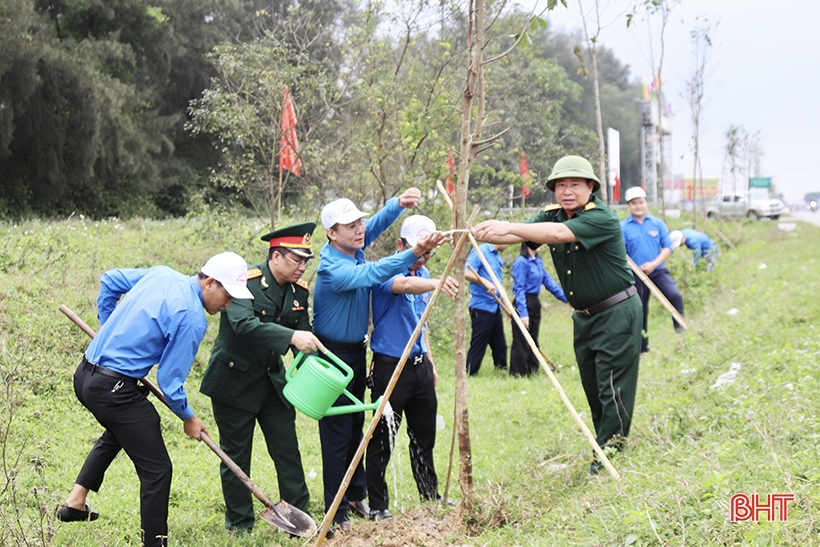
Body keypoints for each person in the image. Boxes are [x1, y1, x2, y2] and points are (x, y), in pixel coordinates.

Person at [58, 252, 254, 546]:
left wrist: (109, 325)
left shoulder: (162, 273)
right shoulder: (192, 318)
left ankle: (76, 500)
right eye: (228, 295)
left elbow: (110, 279)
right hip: (112, 388)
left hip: (85, 376)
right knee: (158, 470)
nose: (229, 305)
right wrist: (189, 417)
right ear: (211, 283)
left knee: (127, 427)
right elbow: (170, 382)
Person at [472, 155, 642, 474]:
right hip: (585, 316)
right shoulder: (551, 214)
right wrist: (481, 233)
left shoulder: (601, 217)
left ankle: (611, 455)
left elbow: (557, 235)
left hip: (616, 311)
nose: (566, 191)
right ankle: (605, 443)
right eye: (560, 185)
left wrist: (507, 225)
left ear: (590, 187)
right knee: (593, 386)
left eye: (574, 185)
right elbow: (521, 235)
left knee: (611, 385)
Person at [312, 192, 445, 528]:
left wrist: (397, 204)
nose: (360, 230)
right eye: (351, 225)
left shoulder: (351, 248)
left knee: (357, 427)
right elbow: (375, 274)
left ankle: (356, 495)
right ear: (331, 232)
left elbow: (375, 226)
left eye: (360, 222)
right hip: (331, 355)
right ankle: (336, 511)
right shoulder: (334, 268)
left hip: (357, 352)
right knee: (338, 433)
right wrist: (412, 253)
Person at [200, 223, 325, 534]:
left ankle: (299, 520)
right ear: (276, 256)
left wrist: (318, 374)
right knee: (236, 458)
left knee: (288, 451)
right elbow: (243, 324)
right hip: (234, 382)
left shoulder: (299, 292)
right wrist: (292, 337)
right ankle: (240, 526)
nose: (302, 267)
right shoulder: (245, 283)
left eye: (306, 261)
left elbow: (304, 338)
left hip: (272, 384)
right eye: (297, 260)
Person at [365, 215, 459, 521]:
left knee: (424, 435)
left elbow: (423, 323)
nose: (423, 259)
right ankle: (379, 505)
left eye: (429, 253)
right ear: (401, 245)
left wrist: (429, 360)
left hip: (419, 366)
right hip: (391, 367)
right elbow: (405, 285)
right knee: (382, 438)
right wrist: (437, 281)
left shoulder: (426, 271)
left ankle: (429, 495)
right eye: (419, 251)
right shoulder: (385, 270)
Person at [621, 186, 685, 353]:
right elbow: (621, 254)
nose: (638, 206)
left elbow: (668, 247)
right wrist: (635, 269)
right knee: (640, 310)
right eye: (634, 203)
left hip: (658, 271)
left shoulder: (657, 223)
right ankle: (642, 349)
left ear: (646, 203)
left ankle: (682, 336)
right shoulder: (623, 227)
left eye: (641, 202)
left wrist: (654, 264)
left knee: (674, 296)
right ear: (629, 205)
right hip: (635, 275)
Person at [510, 243, 568, 377]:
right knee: (521, 339)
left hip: (535, 302)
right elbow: (519, 289)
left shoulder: (538, 262)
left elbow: (549, 283)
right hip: (523, 302)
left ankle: (532, 370)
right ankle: (519, 373)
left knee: (533, 338)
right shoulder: (521, 262)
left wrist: (569, 299)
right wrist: (523, 314)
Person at [464, 242, 509, 375]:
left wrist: (506, 304)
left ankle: (501, 370)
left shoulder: (497, 256)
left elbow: (498, 282)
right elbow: (466, 272)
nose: (508, 244)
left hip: (495, 306)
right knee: (479, 342)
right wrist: (485, 282)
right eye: (507, 240)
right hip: (481, 306)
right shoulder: (481, 251)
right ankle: (470, 372)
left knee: (499, 343)